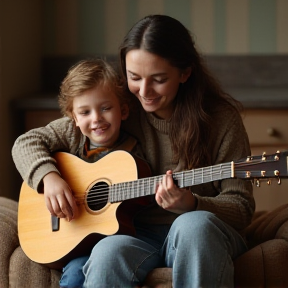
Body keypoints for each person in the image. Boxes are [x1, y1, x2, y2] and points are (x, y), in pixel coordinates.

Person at [12, 15, 255, 288]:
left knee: (192, 225)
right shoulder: (116, 109)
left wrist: (193, 204)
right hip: (137, 236)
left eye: (159, 79)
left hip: (201, 232)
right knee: (107, 251)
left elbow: (241, 208)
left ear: (185, 73)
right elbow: (27, 142)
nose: (144, 91)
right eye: (134, 77)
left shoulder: (222, 120)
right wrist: (49, 178)